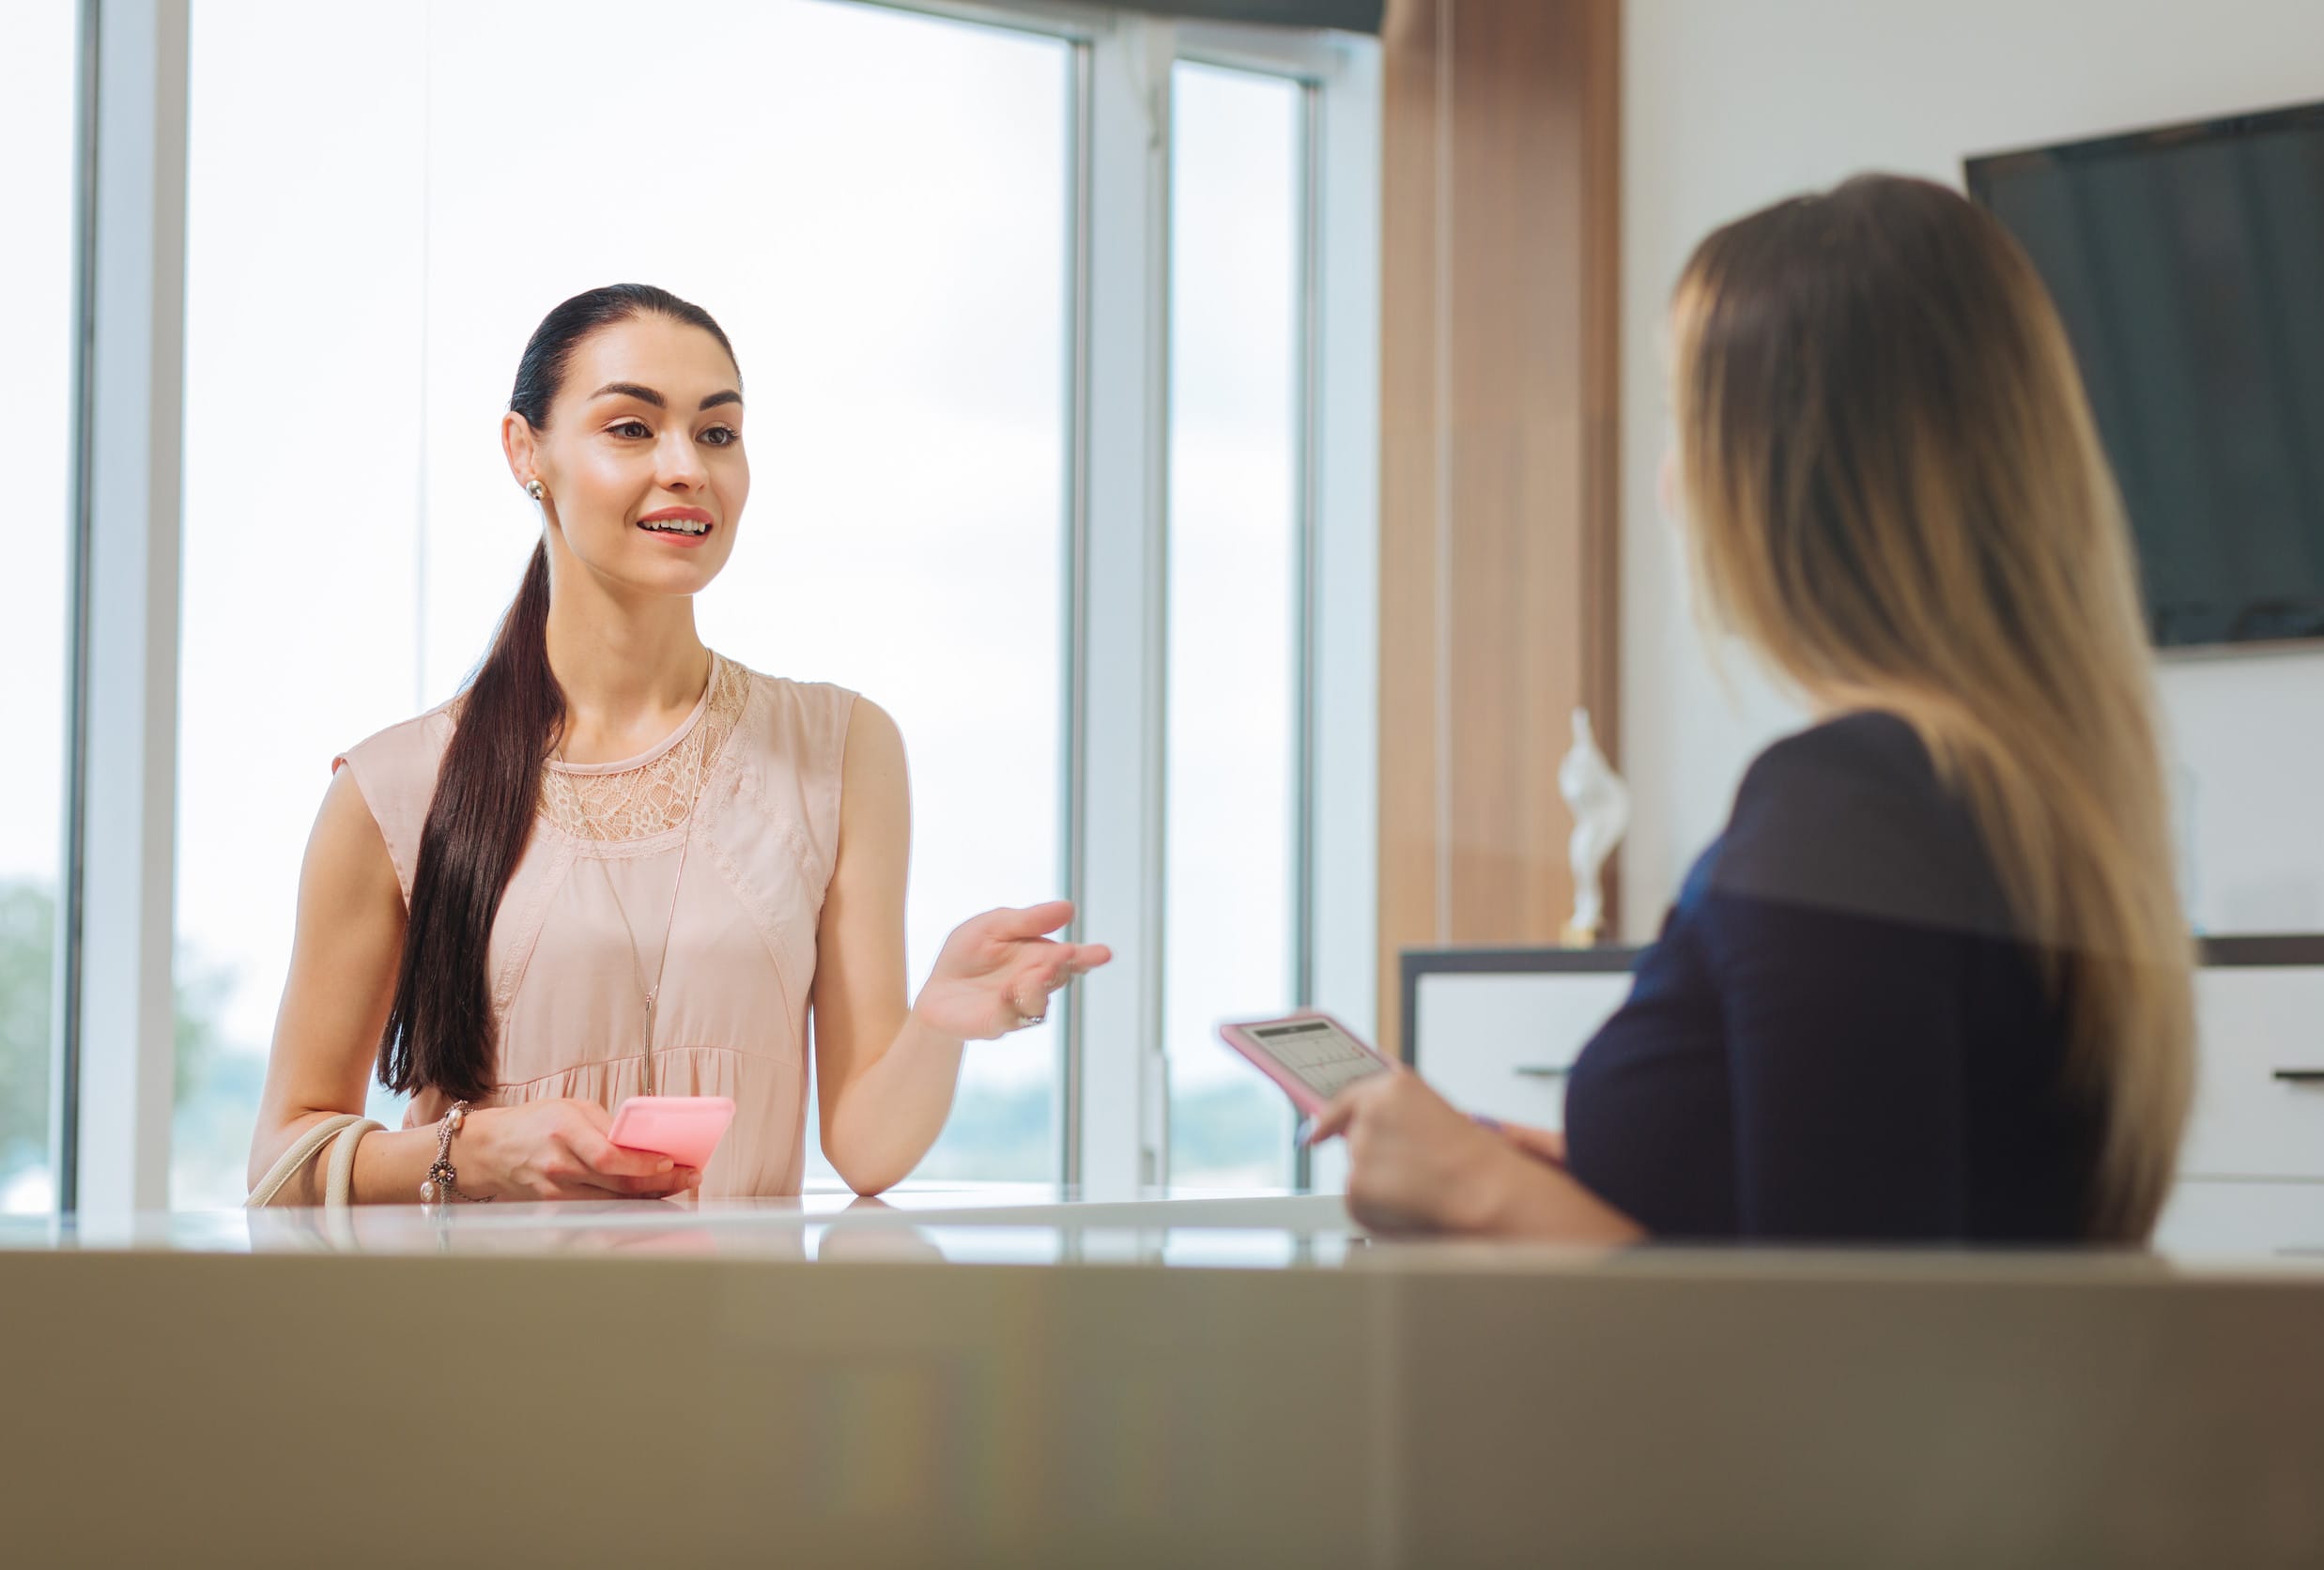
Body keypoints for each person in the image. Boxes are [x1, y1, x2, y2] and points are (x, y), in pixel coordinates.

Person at [1312, 176, 2194, 1245]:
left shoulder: (1845, 806)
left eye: (1685, 421)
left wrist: (1476, 1188)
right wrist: (1583, 1179)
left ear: (1789, 474)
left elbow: (1826, 1329)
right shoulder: (2040, 800)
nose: (1669, 480)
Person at [248, 284, 1108, 1204]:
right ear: (526, 451)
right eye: (631, 428)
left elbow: (865, 1147)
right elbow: (281, 1164)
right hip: (494, 1303)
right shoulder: (394, 788)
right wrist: (479, 1150)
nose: (687, 468)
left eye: (716, 433)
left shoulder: (840, 749)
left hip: (741, 1304)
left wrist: (937, 1021)